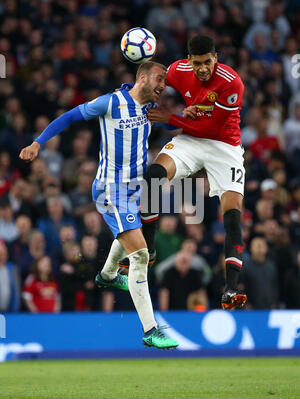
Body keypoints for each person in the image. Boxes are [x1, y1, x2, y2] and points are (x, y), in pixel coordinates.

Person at [19, 61, 178, 350]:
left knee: (132, 236)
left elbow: (170, 121)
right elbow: (69, 116)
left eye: (165, 81)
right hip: (111, 191)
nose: (163, 85)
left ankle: (106, 275)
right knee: (141, 255)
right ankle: (150, 330)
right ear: (142, 77)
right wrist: (38, 143)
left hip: (134, 189)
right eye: (159, 78)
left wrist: (184, 117)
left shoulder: (148, 109)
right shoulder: (110, 102)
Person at [120, 34, 247, 310]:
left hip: (224, 145)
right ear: (189, 60)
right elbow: (154, 81)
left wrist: (171, 118)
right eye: (198, 63)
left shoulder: (231, 82)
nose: (203, 68)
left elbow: (212, 129)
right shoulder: (178, 71)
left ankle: (230, 288)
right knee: (153, 176)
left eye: (208, 62)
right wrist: (137, 92)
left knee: (233, 215)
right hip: (191, 140)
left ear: (216, 58)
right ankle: (149, 247)